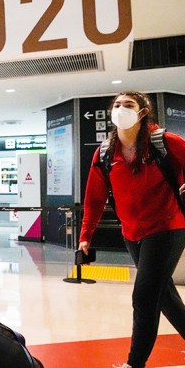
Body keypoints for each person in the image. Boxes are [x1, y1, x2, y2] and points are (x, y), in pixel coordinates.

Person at [80, 91, 185, 368]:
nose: (121, 109)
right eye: (117, 105)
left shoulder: (164, 142)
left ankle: (134, 364)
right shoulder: (104, 153)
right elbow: (94, 198)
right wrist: (85, 236)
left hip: (168, 226)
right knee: (162, 294)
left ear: (142, 112)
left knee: (144, 295)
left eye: (128, 105)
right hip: (132, 233)